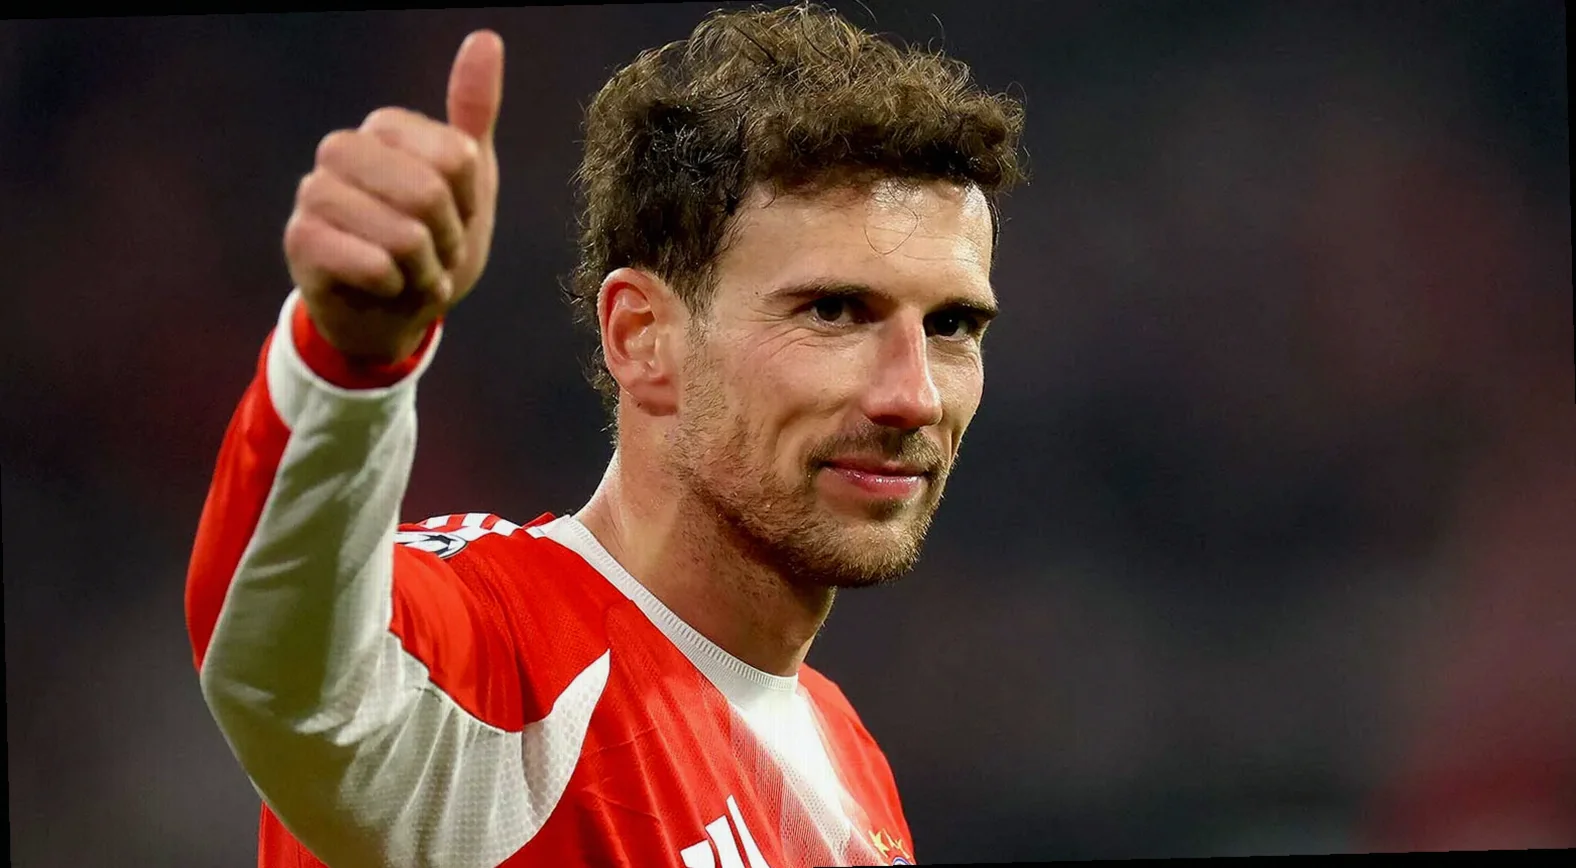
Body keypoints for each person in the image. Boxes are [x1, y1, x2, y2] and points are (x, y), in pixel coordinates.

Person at [185, 5, 1023, 867]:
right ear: (641, 336)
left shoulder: (848, 757)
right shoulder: (501, 660)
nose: (913, 396)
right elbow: (283, 672)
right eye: (834, 311)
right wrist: (349, 356)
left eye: (952, 325)